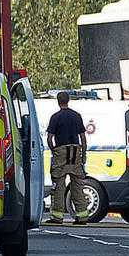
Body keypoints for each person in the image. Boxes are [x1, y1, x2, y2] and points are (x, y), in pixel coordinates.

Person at [45, 91, 89, 225]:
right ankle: (82, 216)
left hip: (61, 152)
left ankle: (57, 217)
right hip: (76, 151)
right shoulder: (77, 116)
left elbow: (49, 138)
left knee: (58, 185)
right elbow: (83, 137)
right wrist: (83, 153)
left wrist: (55, 151)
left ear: (58, 101)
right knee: (78, 185)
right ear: (68, 100)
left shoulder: (55, 117)